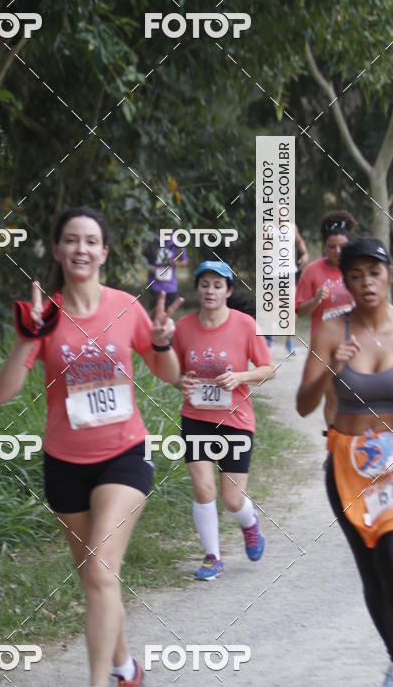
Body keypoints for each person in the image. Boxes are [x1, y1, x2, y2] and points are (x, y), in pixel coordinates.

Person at [0, 207, 182, 687]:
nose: (81, 249)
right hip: (65, 466)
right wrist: (27, 338)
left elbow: (169, 375)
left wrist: (162, 345)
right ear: (57, 250)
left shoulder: (125, 306)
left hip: (125, 455)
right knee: (97, 579)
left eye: (91, 241)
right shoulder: (45, 316)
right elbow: (4, 393)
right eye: (71, 240)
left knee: (100, 571)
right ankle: (125, 669)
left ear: (104, 251)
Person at [296, 238, 393, 687]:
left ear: (388, 274)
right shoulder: (333, 329)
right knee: (373, 574)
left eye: (374, 272)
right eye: (356, 275)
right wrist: (331, 370)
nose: (366, 282)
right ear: (346, 282)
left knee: (392, 556)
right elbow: (302, 404)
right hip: (346, 467)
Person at [172, 260, 275, 580]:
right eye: (205, 284)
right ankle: (212, 556)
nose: (210, 291)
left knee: (232, 500)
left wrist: (240, 376)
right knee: (204, 490)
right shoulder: (184, 327)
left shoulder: (244, 325)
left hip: (236, 421)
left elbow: (268, 368)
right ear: (197, 289)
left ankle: (250, 523)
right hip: (195, 418)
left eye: (218, 285)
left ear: (229, 291)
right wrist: (180, 383)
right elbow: (170, 369)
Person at [296, 210, 357, 426]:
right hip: (325, 345)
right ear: (324, 247)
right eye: (332, 247)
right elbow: (299, 310)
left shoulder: (358, 267)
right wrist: (315, 300)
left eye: (342, 246)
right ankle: (334, 441)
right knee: (332, 395)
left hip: (356, 341)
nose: (337, 251)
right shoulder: (313, 271)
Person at [265, 223, 309, 355]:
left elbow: (299, 241)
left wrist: (304, 254)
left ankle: (290, 340)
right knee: (272, 307)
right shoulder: (267, 228)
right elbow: (258, 251)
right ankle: (269, 335)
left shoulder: (292, 227)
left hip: (289, 272)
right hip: (272, 273)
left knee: (292, 306)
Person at [143, 232, 187, 311]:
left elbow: (185, 262)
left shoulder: (177, 242)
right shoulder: (152, 241)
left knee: (169, 314)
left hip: (170, 286)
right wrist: (152, 268)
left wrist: (176, 263)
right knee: (155, 313)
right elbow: (143, 260)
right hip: (155, 284)